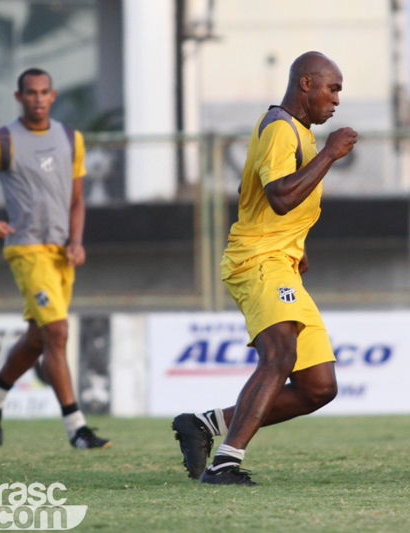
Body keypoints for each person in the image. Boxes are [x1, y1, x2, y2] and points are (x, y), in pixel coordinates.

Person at [172, 51, 358, 486]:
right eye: (333, 88)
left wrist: (294, 242)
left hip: (281, 260)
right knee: (280, 355)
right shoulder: (280, 128)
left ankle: (204, 424)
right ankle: (225, 464)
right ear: (306, 84)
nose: (336, 100)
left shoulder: (297, 132)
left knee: (318, 386)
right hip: (258, 261)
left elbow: (249, 188)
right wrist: (331, 153)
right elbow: (279, 195)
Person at [0, 68, 110, 450]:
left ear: (54, 95)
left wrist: (77, 241)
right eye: (31, 93)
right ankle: (77, 427)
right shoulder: (0, 140)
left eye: (45, 92)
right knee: (58, 333)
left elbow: (77, 200)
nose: (38, 98)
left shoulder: (70, 138)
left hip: (62, 252)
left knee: (37, 338)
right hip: (26, 249)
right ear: (19, 97)